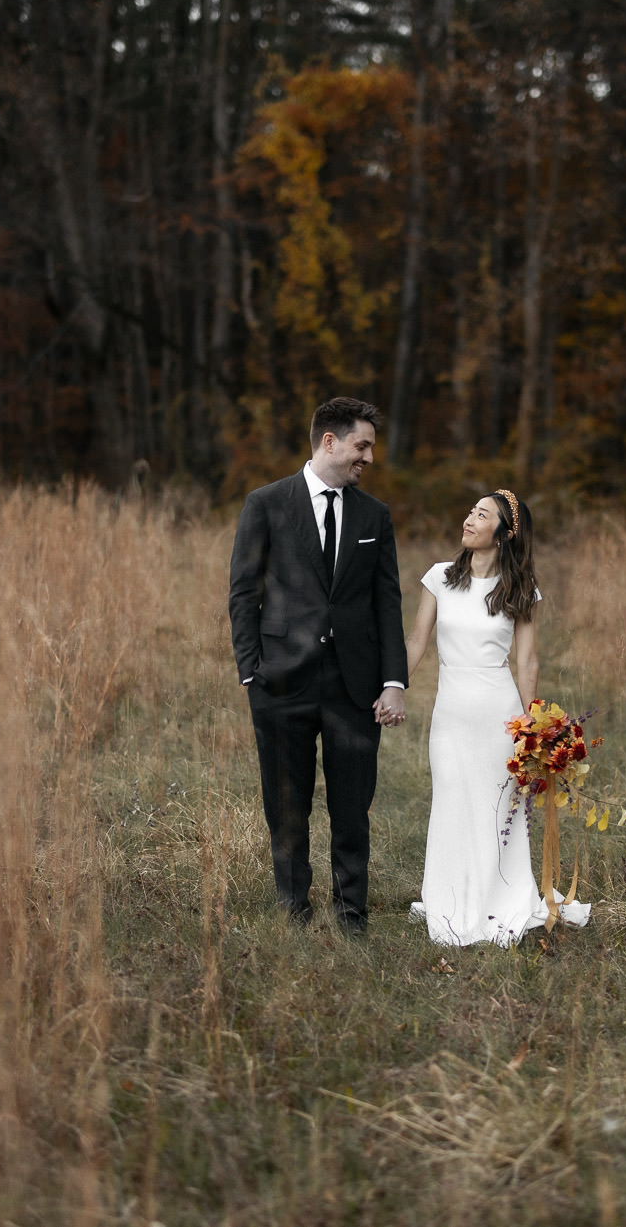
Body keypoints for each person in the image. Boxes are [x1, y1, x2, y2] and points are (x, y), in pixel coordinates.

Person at [228, 398, 409, 933]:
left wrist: (394, 680)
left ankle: (353, 911)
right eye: (362, 445)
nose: (369, 458)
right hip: (281, 680)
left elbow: (388, 602)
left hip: (356, 686)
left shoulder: (375, 515)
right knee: (287, 802)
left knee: (352, 804)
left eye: (370, 447)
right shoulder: (266, 504)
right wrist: (250, 670)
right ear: (329, 442)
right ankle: (293, 908)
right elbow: (243, 592)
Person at [403, 490, 591, 946]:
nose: (468, 519)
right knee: (451, 799)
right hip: (451, 713)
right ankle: (450, 897)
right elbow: (415, 644)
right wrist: (391, 688)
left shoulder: (520, 591)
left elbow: (527, 662)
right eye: (470, 510)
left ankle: (496, 897)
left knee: (497, 808)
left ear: (503, 533)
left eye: (481, 514)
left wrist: (534, 730)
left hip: (498, 713)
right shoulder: (440, 578)